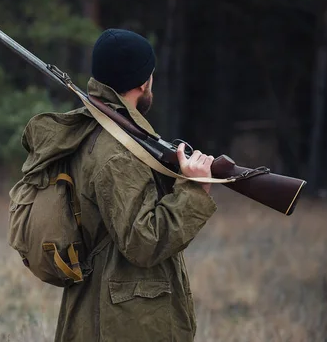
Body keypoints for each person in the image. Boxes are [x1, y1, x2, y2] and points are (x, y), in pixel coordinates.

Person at [17, 28, 219, 341]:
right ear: (143, 82)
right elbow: (145, 241)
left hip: (102, 308)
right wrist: (194, 193)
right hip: (126, 319)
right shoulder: (118, 152)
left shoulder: (89, 130)